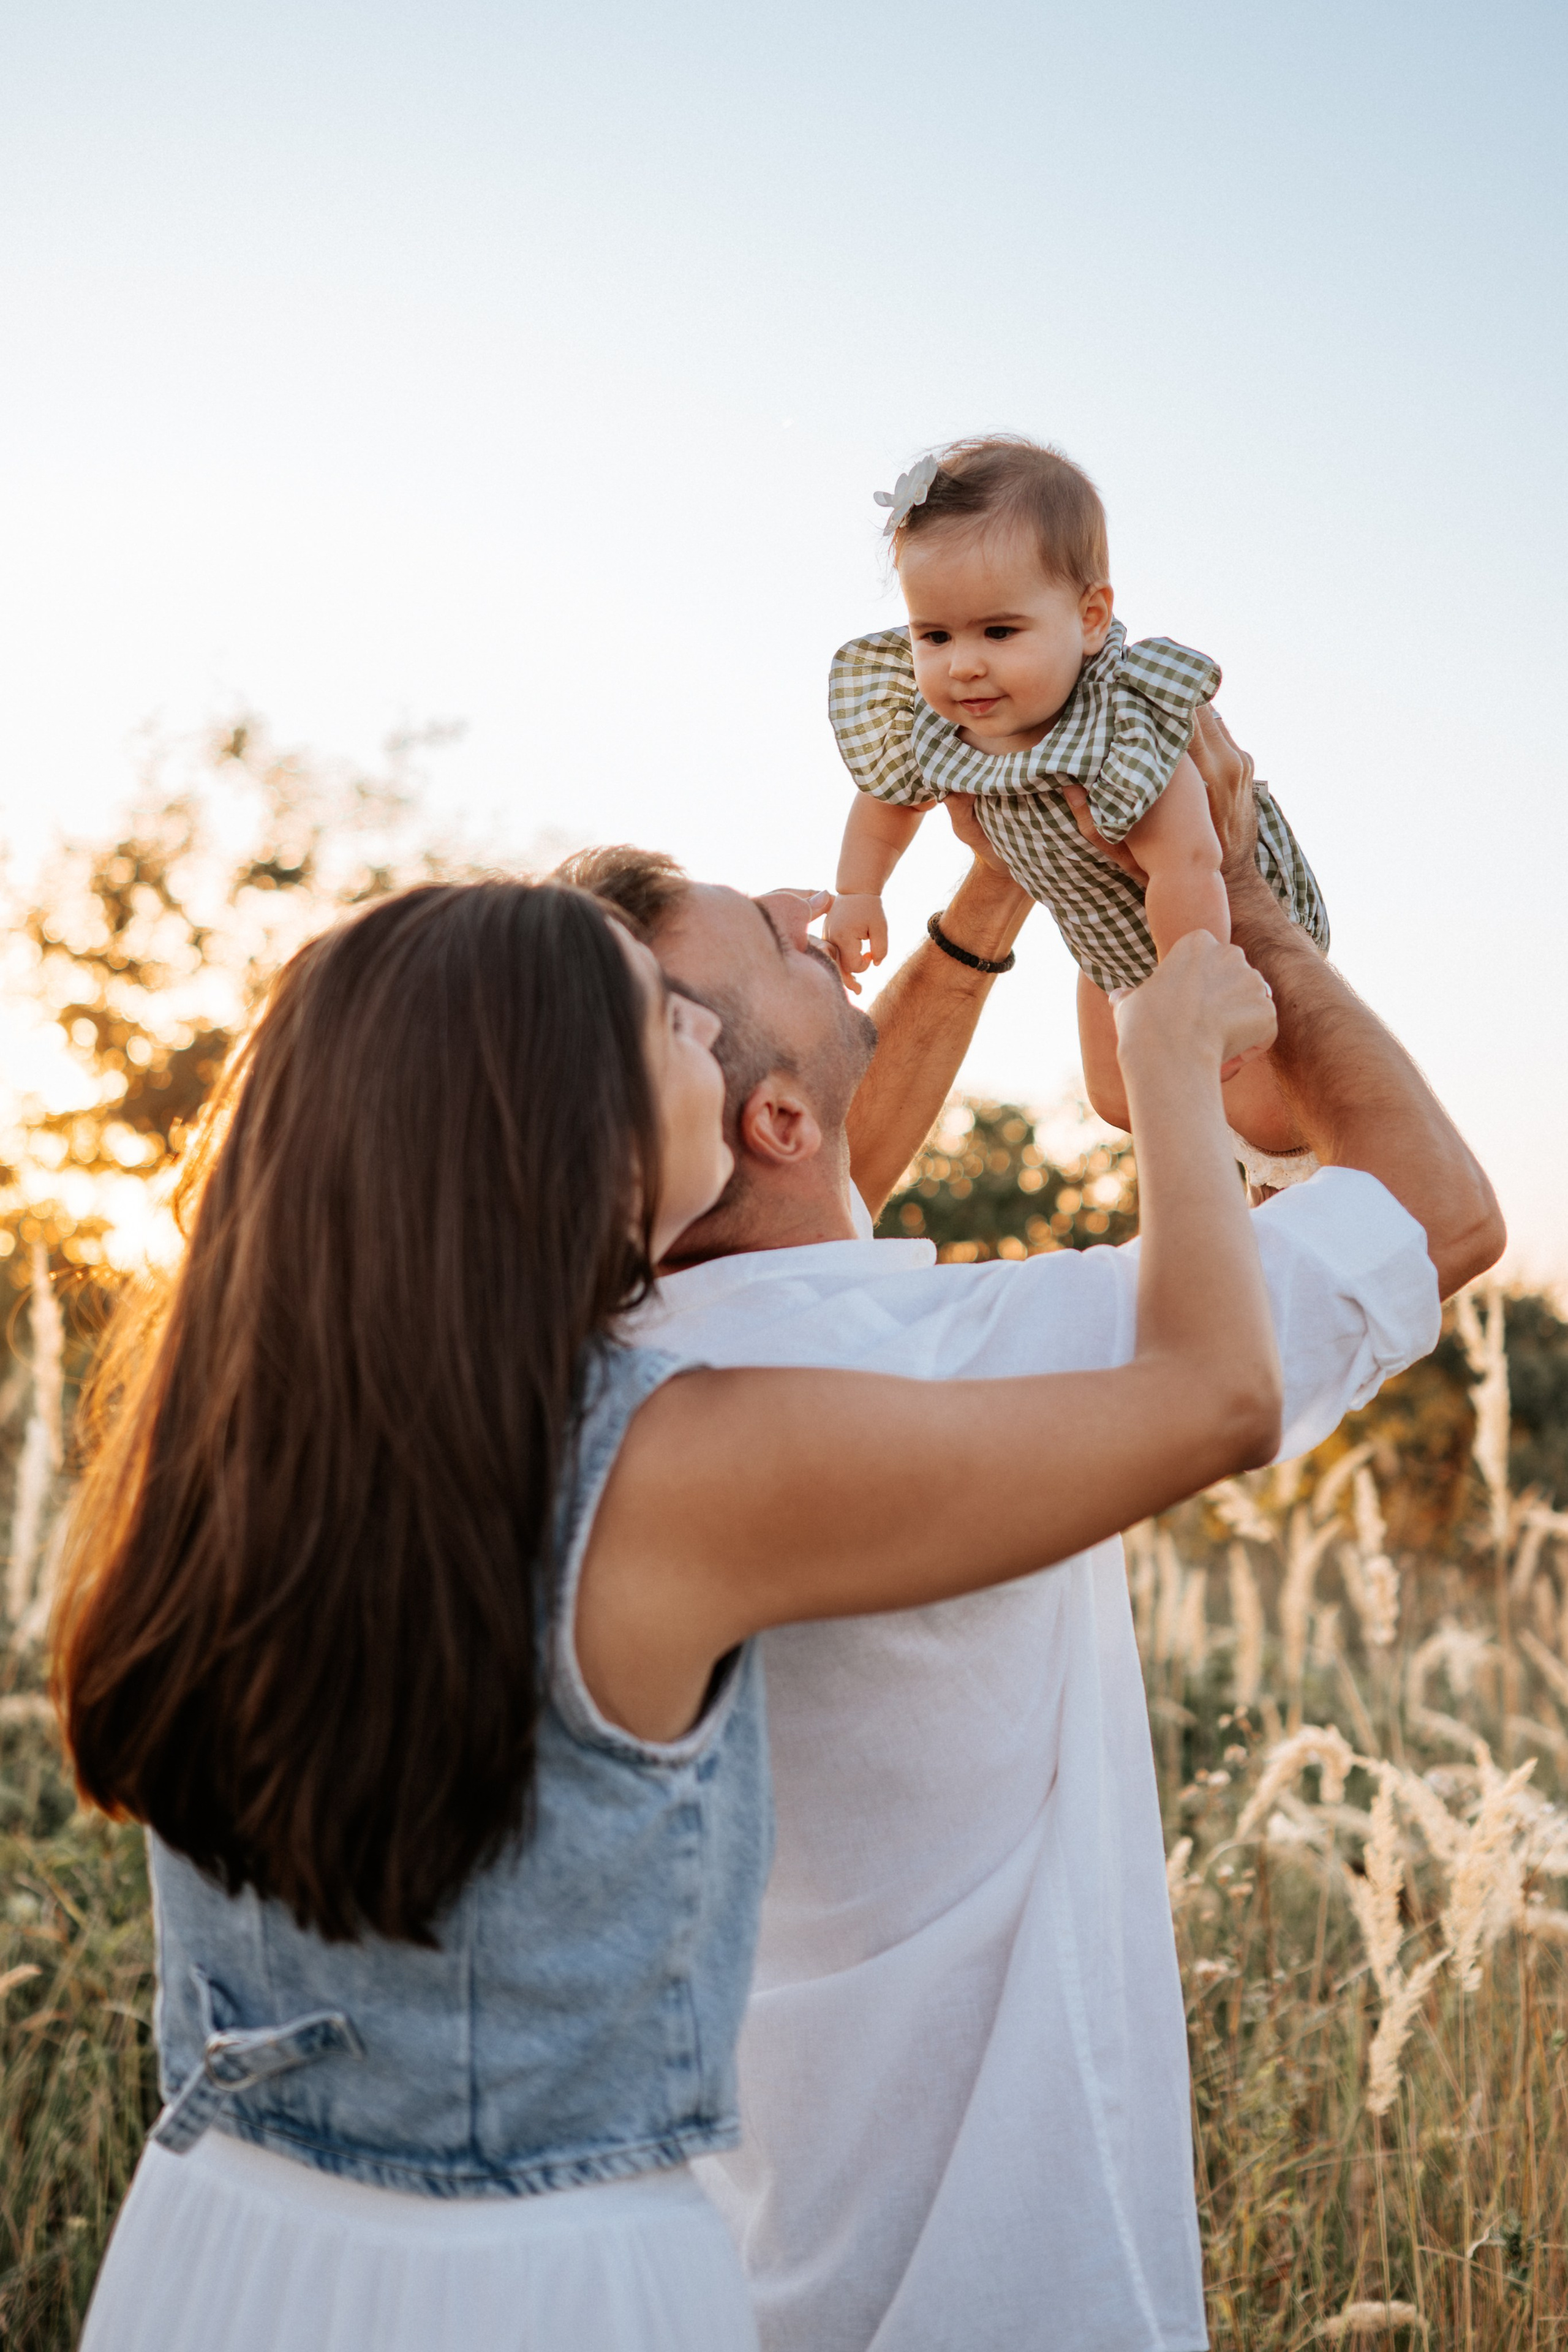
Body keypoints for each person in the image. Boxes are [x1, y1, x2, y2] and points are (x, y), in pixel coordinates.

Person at [58, 876, 1284, 2352]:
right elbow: (1214, 1396)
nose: (696, 1029)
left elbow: (810, 1214)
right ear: (574, 1122)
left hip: (218, 2243)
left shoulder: (230, 1444)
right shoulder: (668, 1468)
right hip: (540, 2285)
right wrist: (1163, 1058)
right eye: (663, 1017)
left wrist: (972, 904)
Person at [565, 710, 1502, 2352]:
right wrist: (1213, 896)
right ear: (760, 1119)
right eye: (768, 940)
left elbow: (802, 1201)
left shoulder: (620, 1374)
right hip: (1000, 2272)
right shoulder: (969, 1367)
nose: (806, 905)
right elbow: (1439, 1218)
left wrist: (990, 902)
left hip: (732, 2250)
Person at [823, 435, 1327, 1186]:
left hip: (1211, 926)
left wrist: (1195, 992)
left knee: (1264, 1111)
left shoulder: (1118, 728)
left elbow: (1190, 860)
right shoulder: (942, 722)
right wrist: (859, 891)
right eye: (934, 634)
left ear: (1090, 619)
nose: (962, 663)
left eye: (999, 631)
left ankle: (1283, 1190)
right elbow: (884, 805)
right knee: (1116, 1097)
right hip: (1105, 928)